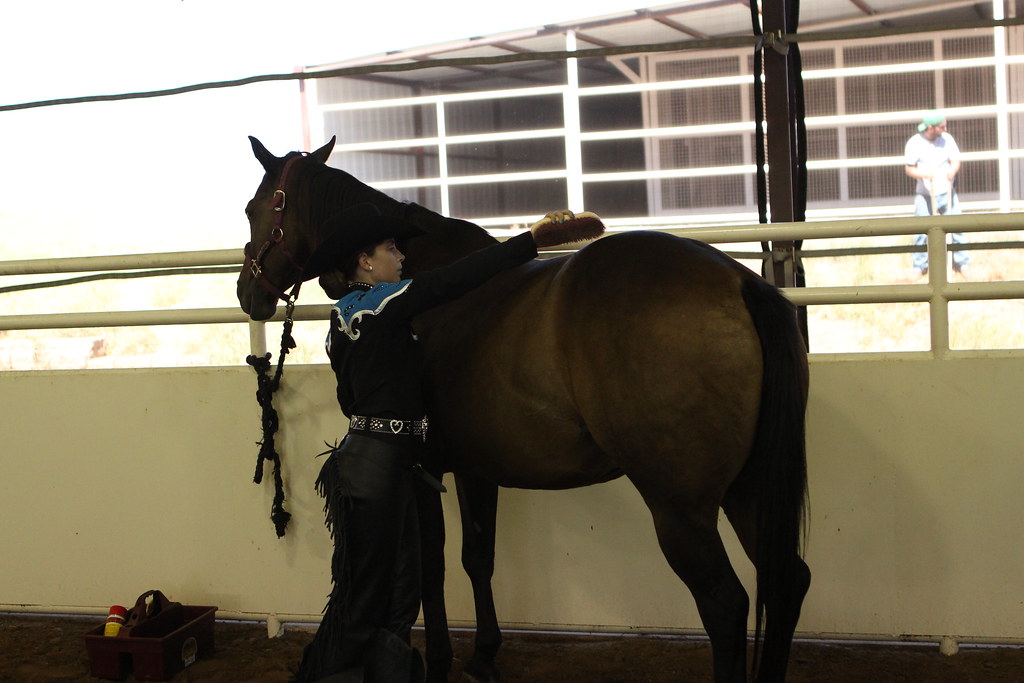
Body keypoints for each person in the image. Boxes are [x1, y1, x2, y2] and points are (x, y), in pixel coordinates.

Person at [292, 204, 577, 682]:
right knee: (392, 591)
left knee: (370, 590)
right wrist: (532, 240)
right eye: (390, 249)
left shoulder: (341, 317)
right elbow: (457, 278)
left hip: (364, 461)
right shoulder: (387, 302)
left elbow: (348, 398)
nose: (400, 256)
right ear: (365, 261)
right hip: (385, 467)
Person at [903, 111, 968, 276]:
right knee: (921, 230)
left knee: (957, 226)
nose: (945, 128)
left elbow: (955, 160)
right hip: (925, 193)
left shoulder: (947, 140)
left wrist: (953, 170)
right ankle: (919, 266)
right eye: (942, 126)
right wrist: (924, 174)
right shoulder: (915, 143)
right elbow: (909, 168)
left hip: (947, 191)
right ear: (931, 127)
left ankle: (961, 263)